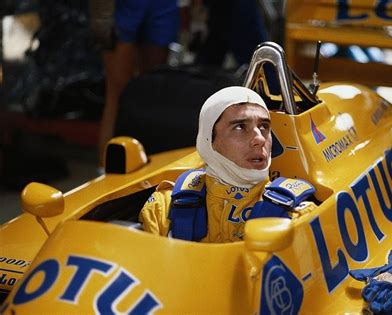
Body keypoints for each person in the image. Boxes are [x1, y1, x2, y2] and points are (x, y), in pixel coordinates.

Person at [139, 86, 317, 242]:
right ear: (209, 140)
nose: (259, 139)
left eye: (264, 126)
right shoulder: (163, 207)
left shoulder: (298, 217)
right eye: (240, 127)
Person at [93, 0, 179, 166]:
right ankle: (106, 173)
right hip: (120, 6)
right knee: (118, 94)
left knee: (153, 90)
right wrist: (101, 15)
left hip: (162, 5)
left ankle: (148, 170)